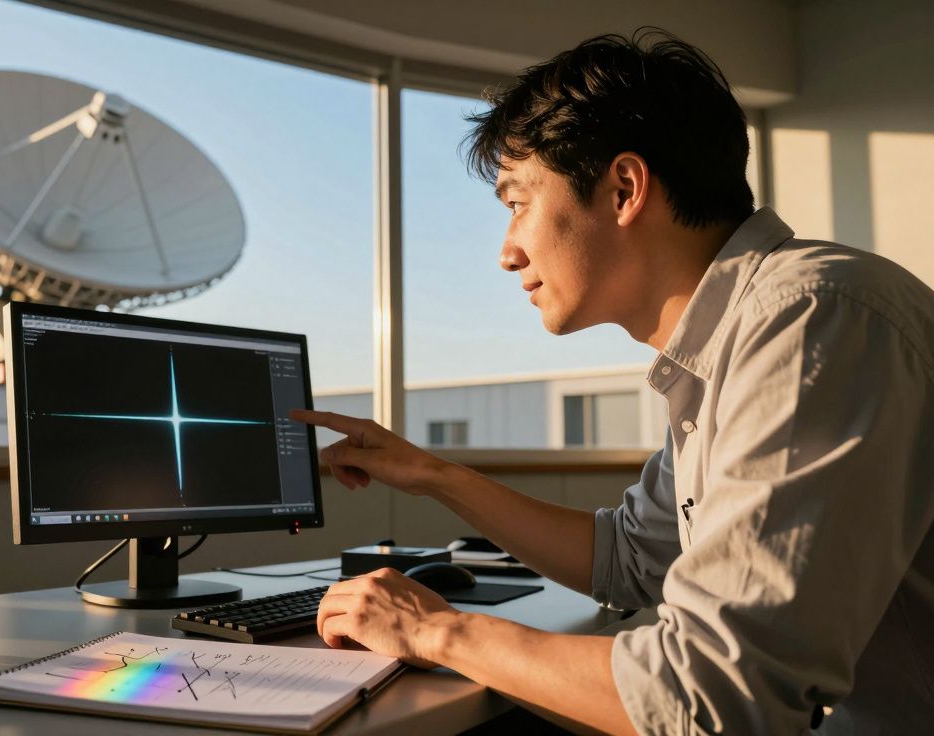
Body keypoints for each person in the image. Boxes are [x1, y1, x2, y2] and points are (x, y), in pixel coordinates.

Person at [292, 29, 934, 735]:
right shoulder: (733, 343)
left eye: (517, 204)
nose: (506, 253)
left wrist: (438, 634)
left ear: (624, 188)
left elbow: (712, 699)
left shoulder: (809, 321)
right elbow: (629, 558)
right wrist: (435, 474)